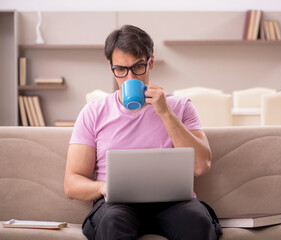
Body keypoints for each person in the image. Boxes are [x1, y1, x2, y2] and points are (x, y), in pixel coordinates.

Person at [64, 25, 222, 240]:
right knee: (112, 223)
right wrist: (104, 187)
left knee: (198, 222)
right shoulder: (94, 112)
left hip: (174, 203)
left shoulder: (181, 106)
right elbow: (72, 183)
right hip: (117, 205)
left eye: (138, 67)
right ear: (110, 67)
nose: (130, 78)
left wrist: (166, 114)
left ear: (151, 62)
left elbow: (201, 166)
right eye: (120, 69)